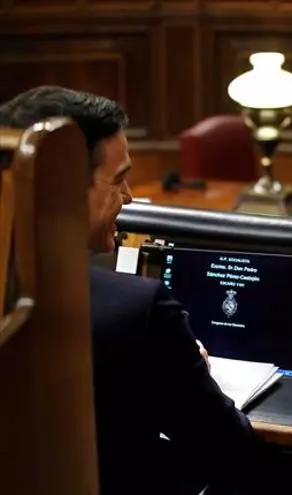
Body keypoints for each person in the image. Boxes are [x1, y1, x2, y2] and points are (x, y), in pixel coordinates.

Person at [0, 86, 268, 494]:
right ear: (62, 190)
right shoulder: (137, 310)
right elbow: (231, 449)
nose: (128, 197)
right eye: (118, 179)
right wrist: (182, 367)